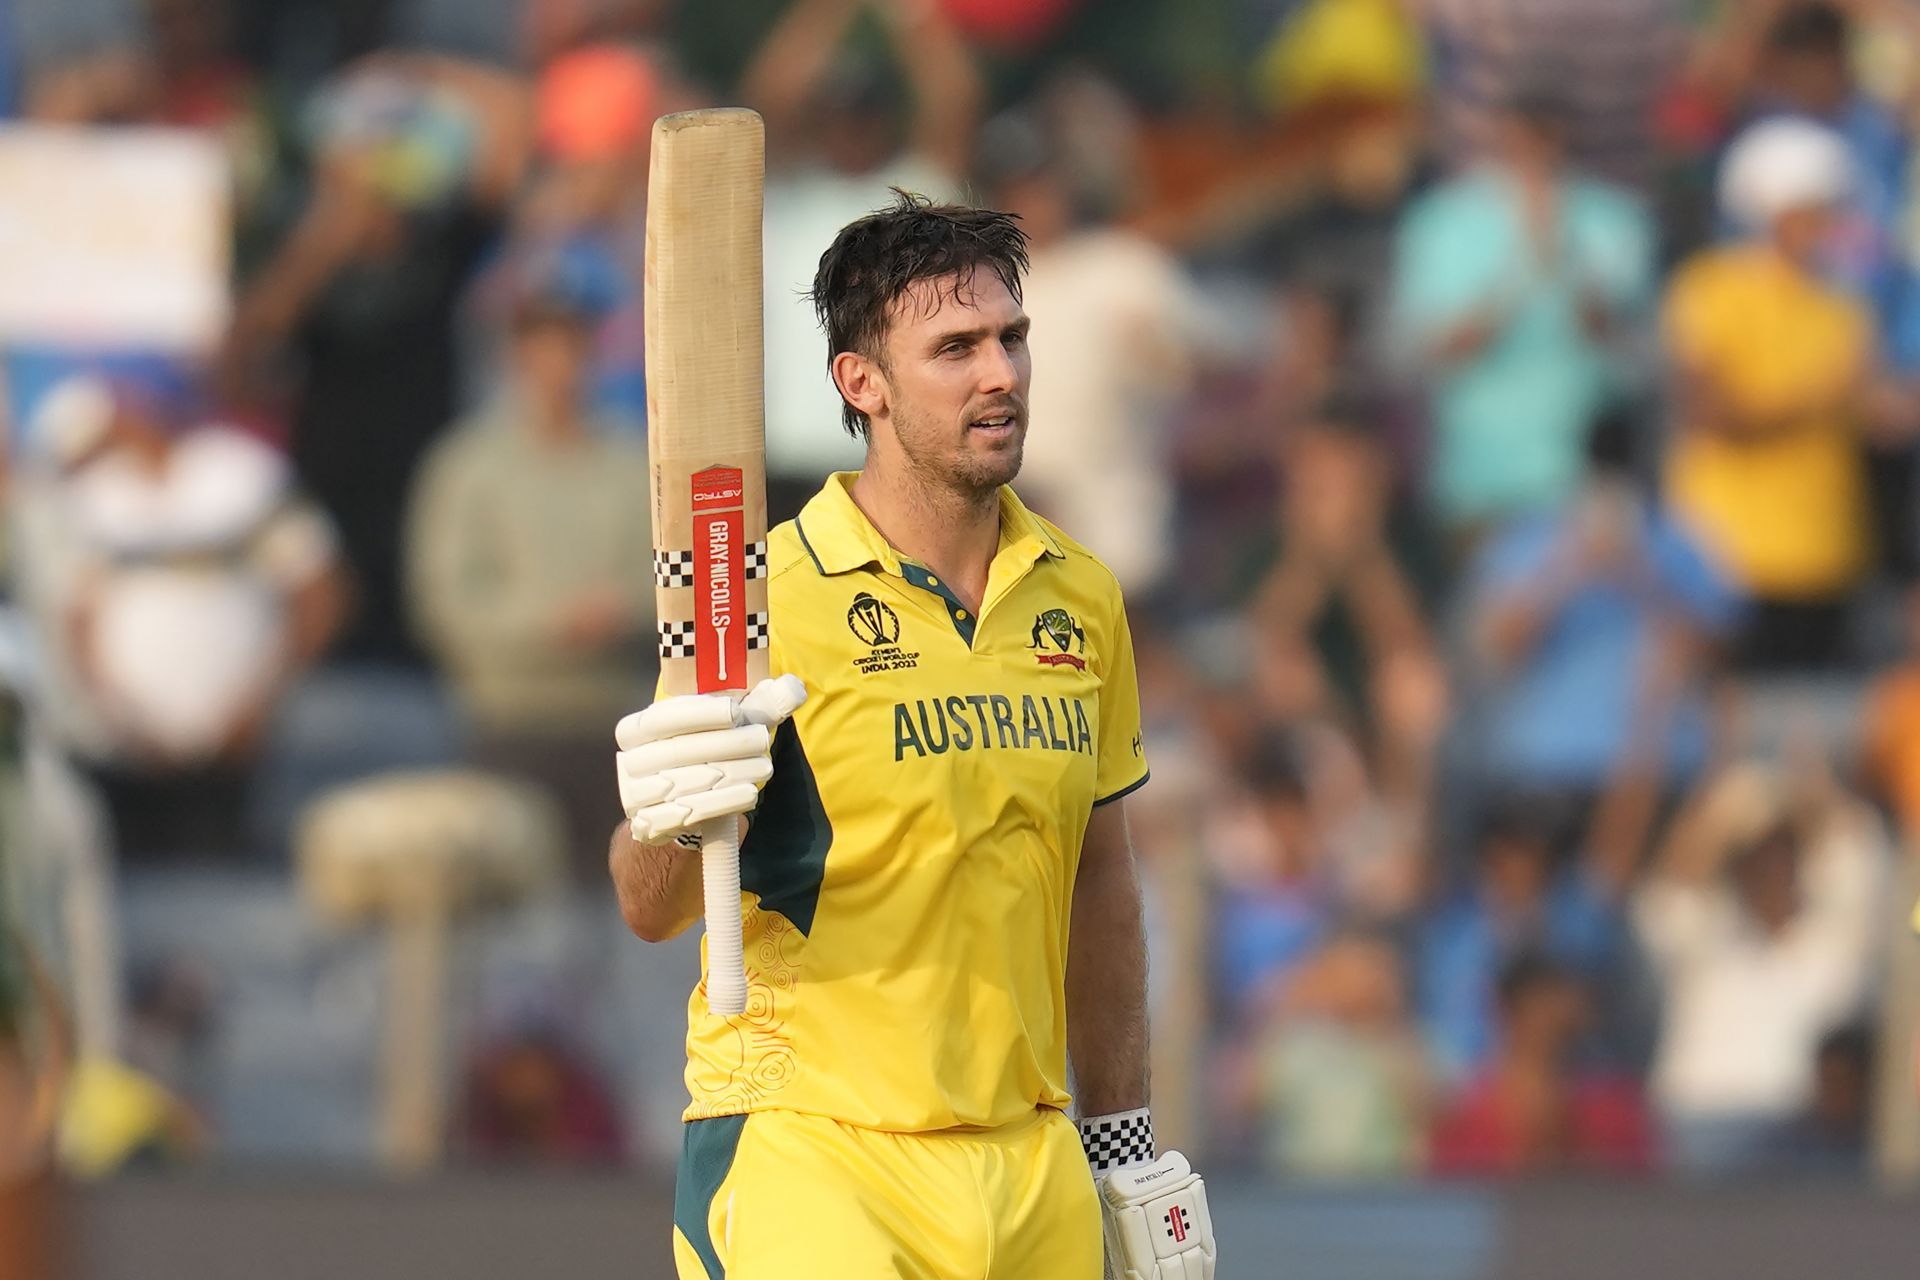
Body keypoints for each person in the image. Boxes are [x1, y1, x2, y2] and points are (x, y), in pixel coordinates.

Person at [608, 196, 1213, 1278]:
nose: (1002, 375)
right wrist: (677, 799)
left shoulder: (1082, 596)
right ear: (863, 383)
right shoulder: (763, 602)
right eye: (956, 348)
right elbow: (652, 903)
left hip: (1026, 1160)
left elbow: (1101, 885)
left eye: (1011, 339)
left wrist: (1121, 1142)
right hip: (813, 1146)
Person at [406, 278, 653, 875]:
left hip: (620, 720)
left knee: (623, 909)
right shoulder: (468, 466)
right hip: (509, 721)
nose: (559, 364)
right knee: (515, 912)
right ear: (514, 356)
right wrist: (550, 624)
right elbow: (445, 600)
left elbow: (688, 577)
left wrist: (624, 613)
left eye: (573, 344)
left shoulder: (634, 462)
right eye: (542, 345)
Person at [1663, 116, 1877, 670]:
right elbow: (1714, 415)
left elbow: (1874, 409)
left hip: (1826, 555)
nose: (1828, 224)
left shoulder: (1842, 305)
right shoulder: (1712, 289)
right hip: (1731, 555)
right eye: (1814, 209)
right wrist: (1820, 397)